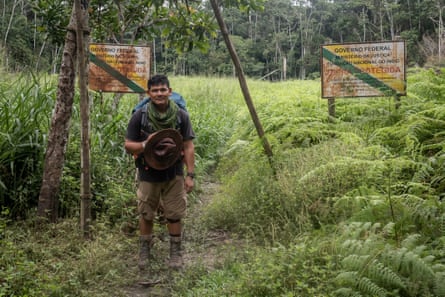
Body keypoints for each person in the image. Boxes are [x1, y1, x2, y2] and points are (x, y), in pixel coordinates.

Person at [124, 74, 195, 270]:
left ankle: (175, 254)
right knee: (146, 213)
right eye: (155, 90)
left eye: (163, 90)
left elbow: (188, 146)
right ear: (149, 93)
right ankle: (144, 252)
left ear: (169, 92)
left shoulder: (181, 116)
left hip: (174, 173)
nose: (159, 94)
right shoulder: (140, 116)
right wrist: (146, 143)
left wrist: (190, 175)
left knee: (174, 214)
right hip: (148, 173)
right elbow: (128, 145)